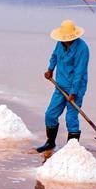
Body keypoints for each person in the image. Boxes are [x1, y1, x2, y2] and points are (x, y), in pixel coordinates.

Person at [35, 20, 89, 153]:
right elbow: (54, 56)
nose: (65, 40)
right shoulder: (60, 43)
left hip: (75, 87)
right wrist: (50, 69)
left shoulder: (83, 48)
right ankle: (50, 142)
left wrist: (74, 91)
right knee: (50, 114)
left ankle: (72, 150)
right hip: (60, 85)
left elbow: (79, 71)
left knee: (70, 117)